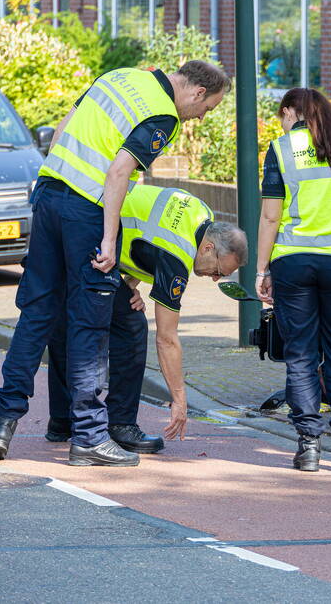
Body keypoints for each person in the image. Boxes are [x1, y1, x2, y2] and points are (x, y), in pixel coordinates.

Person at [0, 61, 230, 467]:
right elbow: (118, 172)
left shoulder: (120, 77)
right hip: (86, 212)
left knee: (37, 314)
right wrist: (109, 240)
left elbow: (63, 130)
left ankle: (3, 424)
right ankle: (90, 437)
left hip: (47, 196)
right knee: (90, 325)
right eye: (209, 108)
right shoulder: (163, 115)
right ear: (198, 92)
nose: (203, 117)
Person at [44, 186, 248, 453]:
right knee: (132, 326)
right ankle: (121, 424)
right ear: (208, 248)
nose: (215, 278)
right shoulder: (178, 257)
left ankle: (62, 420)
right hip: (89, 246)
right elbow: (166, 339)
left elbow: (144, 234)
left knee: (66, 320)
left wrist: (129, 282)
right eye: (219, 270)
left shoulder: (201, 212)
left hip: (72, 227)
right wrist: (179, 399)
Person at [255, 88, 331, 473]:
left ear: (293, 111)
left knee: (301, 354)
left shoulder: (280, 150)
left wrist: (262, 269)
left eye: (282, 114)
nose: (281, 121)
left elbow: (271, 218)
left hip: (292, 262)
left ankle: (308, 446)